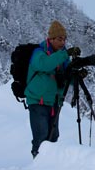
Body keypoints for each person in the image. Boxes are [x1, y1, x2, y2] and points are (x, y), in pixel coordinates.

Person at [24, 20, 75, 158]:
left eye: (64, 39)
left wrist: (76, 75)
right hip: (38, 102)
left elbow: (67, 76)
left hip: (54, 102)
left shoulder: (62, 56)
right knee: (41, 136)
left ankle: (50, 164)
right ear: (51, 39)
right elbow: (46, 64)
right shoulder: (39, 53)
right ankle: (38, 163)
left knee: (53, 138)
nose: (63, 42)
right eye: (59, 39)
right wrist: (65, 55)